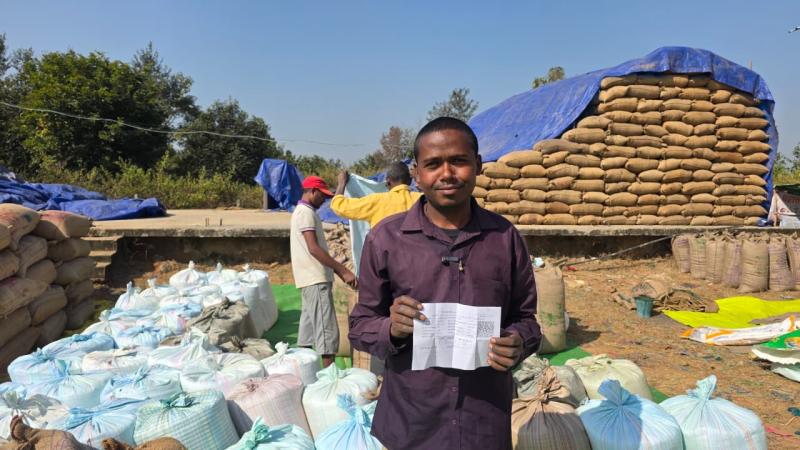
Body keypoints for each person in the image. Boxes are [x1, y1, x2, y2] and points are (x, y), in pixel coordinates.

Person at [349, 117, 541, 449]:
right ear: (416, 173)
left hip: (483, 422)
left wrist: (518, 342)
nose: (447, 173)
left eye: (458, 161)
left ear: (477, 165)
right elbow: (360, 326)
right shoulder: (386, 239)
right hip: (411, 424)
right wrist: (391, 328)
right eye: (433, 164)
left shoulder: (504, 238)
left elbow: (527, 321)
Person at [290, 175, 358, 367]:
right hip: (316, 279)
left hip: (308, 279)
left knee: (308, 330)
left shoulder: (303, 211)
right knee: (327, 331)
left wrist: (341, 185)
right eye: (322, 196)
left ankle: (304, 372)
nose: (324, 200)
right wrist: (342, 270)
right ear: (313, 191)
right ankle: (329, 376)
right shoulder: (306, 213)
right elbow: (314, 248)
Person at [330, 161, 422, 228]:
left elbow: (338, 206)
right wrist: (419, 178)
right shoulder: (422, 200)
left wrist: (341, 183)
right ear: (410, 181)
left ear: (388, 182)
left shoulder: (376, 201)